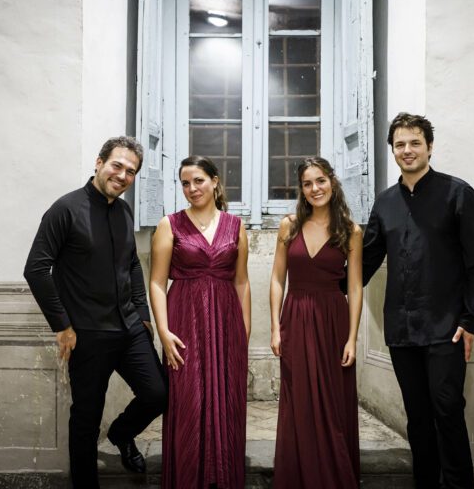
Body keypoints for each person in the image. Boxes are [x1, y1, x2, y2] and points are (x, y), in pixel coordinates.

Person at [23, 136, 167, 489]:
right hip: (87, 334)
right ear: (99, 162)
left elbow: (132, 263)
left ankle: (121, 433)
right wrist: (62, 326)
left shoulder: (123, 210)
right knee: (86, 419)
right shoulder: (65, 209)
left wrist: (143, 313)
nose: (122, 175)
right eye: (117, 165)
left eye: (130, 171)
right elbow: (36, 270)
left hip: (130, 327)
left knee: (158, 394)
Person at [362, 113, 474, 489]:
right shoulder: (385, 202)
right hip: (401, 330)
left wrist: (470, 320)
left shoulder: (458, 193)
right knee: (417, 416)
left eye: (415, 142)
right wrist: (321, 288)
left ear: (429, 147)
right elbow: (366, 261)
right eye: (400, 144)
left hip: (446, 328)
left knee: (447, 410)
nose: (407, 150)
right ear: (393, 151)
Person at [149, 155, 251, 488]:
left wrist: (244, 332)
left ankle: (221, 477)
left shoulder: (236, 226)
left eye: (199, 181)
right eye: (185, 183)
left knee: (226, 401)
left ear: (215, 181)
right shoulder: (170, 224)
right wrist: (163, 331)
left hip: (226, 323)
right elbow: (156, 282)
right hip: (183, 322)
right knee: (188, 400)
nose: (192, 189)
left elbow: (241, 282)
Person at [270, 157, 363, 488]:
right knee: (299, 400)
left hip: (332, 319)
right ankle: (298, 476)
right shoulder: (289, 226)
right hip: (294, 317)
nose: (315, 188)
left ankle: (334, 475)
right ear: (302, 189)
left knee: (333, 400)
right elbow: (278, 279)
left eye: (320, 181)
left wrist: (352, 338)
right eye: (308, 183)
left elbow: (353, 286)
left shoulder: (350, 231)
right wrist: (274, 328)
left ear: (332, 182)